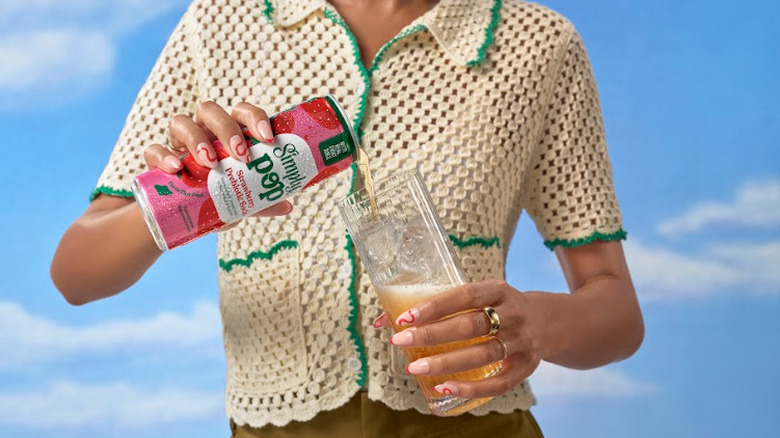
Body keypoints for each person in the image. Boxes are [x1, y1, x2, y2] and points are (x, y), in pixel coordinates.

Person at [50, 0, 644, 436]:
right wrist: (187, 201)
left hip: (473, 425)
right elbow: (76, 274)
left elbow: (616, 311)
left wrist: (534, 323)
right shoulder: (221, 22)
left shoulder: (538, 45)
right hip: (276, 426)